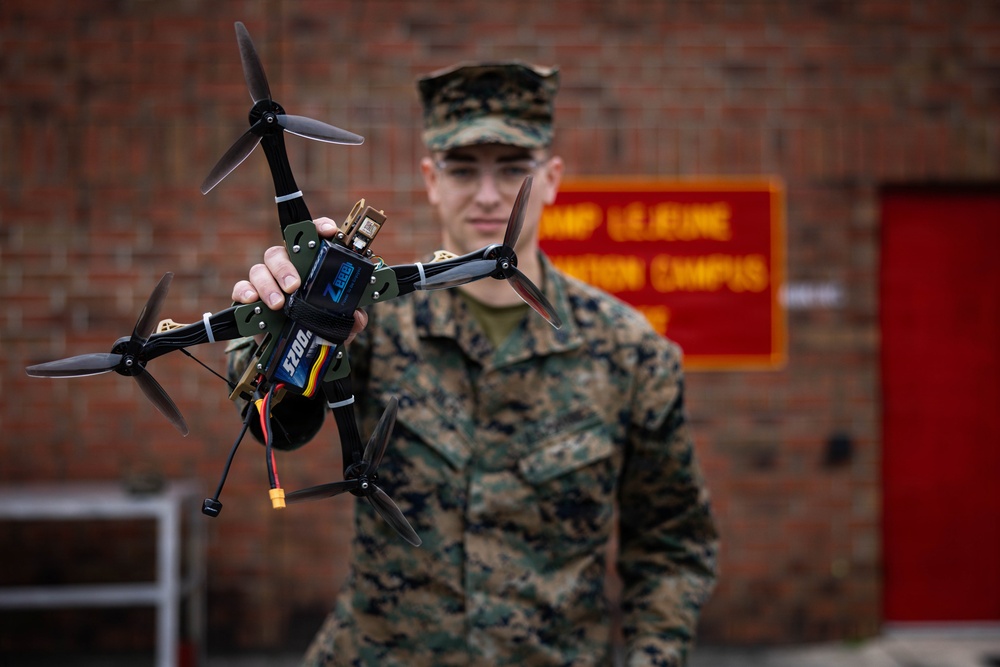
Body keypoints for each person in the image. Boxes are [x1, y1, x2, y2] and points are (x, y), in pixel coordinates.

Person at [230, 61, 719, 667]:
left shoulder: (630, 353)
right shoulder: (370, 322)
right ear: (431, 180)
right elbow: (275, 424)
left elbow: (672, 543)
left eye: (513, 168)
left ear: (552, 178)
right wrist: (282, 322)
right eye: (463, 170)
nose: (488, 195)